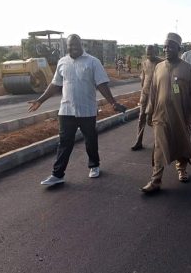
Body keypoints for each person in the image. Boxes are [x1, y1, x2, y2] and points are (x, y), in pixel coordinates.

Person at [28, 34, 127, 186]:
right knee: (64, 142)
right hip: (66, 110)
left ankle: (94, 165)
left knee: (90, 140)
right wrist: (40, 100)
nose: (72, 48)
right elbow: (55, 85)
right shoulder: (62, 62)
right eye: (69, 46)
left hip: (87, 110)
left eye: (75, 45)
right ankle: (57, 174)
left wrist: (113, 103)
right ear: (66, 47)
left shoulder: (93, 62)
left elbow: (102, 85)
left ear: (81, 45)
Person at [141, 33, 191, 193]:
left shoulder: (187, 69)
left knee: (181, 143)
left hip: (181, 116)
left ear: (179, 49)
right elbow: (153, 91)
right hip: (160, 115)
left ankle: (182, 170)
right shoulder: (159, 68)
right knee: (159, 147)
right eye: (165, 46)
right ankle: (156, 180)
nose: (166, 49)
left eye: (170, 47)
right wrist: (149, 111)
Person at [131, 45, 163, 150]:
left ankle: (159, 143)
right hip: (145, 95)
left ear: (156, 52)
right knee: (141, 118)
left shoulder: (162, 63)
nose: (149, 55)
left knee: (155, 120)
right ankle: (138, 141)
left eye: (151, 53)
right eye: (147, 53)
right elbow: (143, 78)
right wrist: (143, 92)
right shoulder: (145, 63)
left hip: (157, 96)